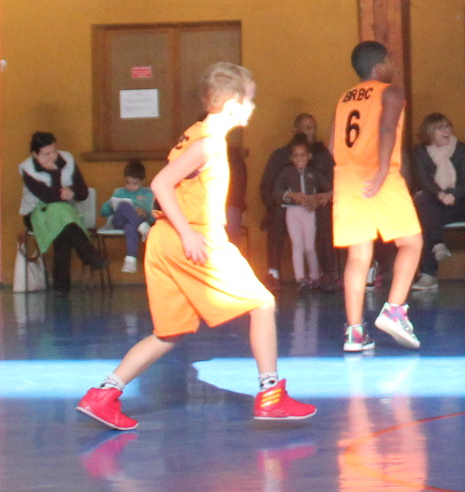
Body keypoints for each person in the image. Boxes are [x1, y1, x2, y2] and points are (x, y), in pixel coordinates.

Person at [74, 63, 314, 429]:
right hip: (193, 238)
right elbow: (161, 184)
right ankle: (271, 396)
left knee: (168, 333)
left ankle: (103, 396)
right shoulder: (210, 142)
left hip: (164, 239)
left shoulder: (194, 133)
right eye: (250, 99)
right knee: (263, 303)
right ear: (232, 104)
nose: (253, 106)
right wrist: (188, 233)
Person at [331, 41, 424, 353]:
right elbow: (387, 129)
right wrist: (383, 168)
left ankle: (354, 332)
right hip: (379, 175)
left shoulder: (344, 98)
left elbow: (331, 146)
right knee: (411, 243)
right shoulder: (391, 92)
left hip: (347, 178)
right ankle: (395, 310)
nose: (393, 66)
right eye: (390, 60)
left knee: (358, 257)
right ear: (379, 65)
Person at [20, 131, 105, 291]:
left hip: (64, 213)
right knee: (60, 213)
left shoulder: (68, 159)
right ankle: (89, 254)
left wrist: (72, 190)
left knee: (63, 226)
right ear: (35, 154)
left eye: (54, 151)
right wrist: (55, 173)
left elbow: (83, 192)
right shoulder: (27, 169)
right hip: (36, 212)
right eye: (46, 154)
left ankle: (61, 286)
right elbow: (48, 197)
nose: (52, 157)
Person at [405, 112, 465, 293]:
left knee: (426, 218)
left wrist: (453, 194)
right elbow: (423, 180)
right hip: (435, 201)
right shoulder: (420, 152)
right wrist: (440, 194)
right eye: (440, 128)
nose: (446, 131)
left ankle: (428, 275)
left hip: (460, 203)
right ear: (429, 131)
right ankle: (437, 244)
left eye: (447, 126)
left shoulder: (461, 149)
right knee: (423, 201)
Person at [260, 114, 331, 284]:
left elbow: (333, 183)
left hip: (316, 207)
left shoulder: (322, 154)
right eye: (307, 128)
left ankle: (327, 274)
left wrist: (320, 199)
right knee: (276, 216)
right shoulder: (280, 156)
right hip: (287, 208)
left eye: (313, 128)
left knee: (326, 215)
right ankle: (273, 273)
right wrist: (285, 200)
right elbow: (267, 188)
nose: (311, 132)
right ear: (294, 130)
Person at [273, 137, 329, 292]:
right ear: (291, 158)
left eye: (303, 155)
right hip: (292, 212)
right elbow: (276, 191)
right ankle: (300, 279)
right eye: (296, 155)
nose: (299, 159)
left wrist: (320, 198)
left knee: (309, 246)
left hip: (309, 212)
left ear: (309, 156)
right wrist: (291, 195)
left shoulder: (314, 173)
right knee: (297, 245)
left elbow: (328, 189)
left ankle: (315, 277)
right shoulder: (286, 173)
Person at [105, 159, 154, 274]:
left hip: (136, 222)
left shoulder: (148, 194)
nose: (131, 186)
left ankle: (131, 259)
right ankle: (143, 227)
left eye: (135, 183)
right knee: (123, 205)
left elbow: (154, 215)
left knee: (130, 226)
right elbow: (103, 212)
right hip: (119, 221)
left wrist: (145, 212)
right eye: (128, 183)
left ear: (142, 181)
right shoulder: (120, 192)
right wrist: (110, 205)